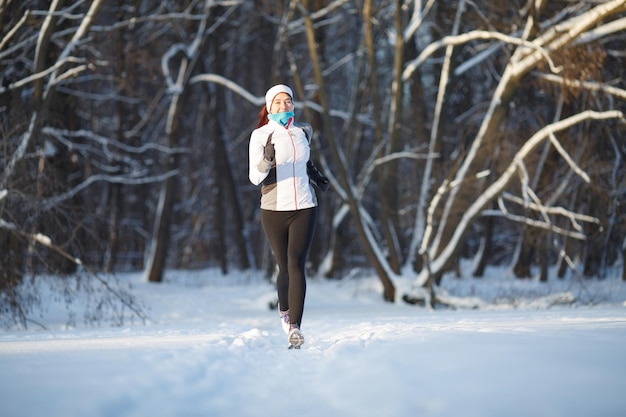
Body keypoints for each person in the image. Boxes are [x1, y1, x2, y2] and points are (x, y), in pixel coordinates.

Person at [248, 84, 329, 349]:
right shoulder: (261, 135)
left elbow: (304, 161)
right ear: (269, 106)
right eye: (278, 102)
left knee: (296, 264)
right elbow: (254, 177)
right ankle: (284, 308)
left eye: (288, 102)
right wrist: (266, 161)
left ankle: (295, 326)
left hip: (305, 206)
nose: (284, 106)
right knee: (284, 266)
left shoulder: (303, 131)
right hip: (273, 209)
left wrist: (316, 177)